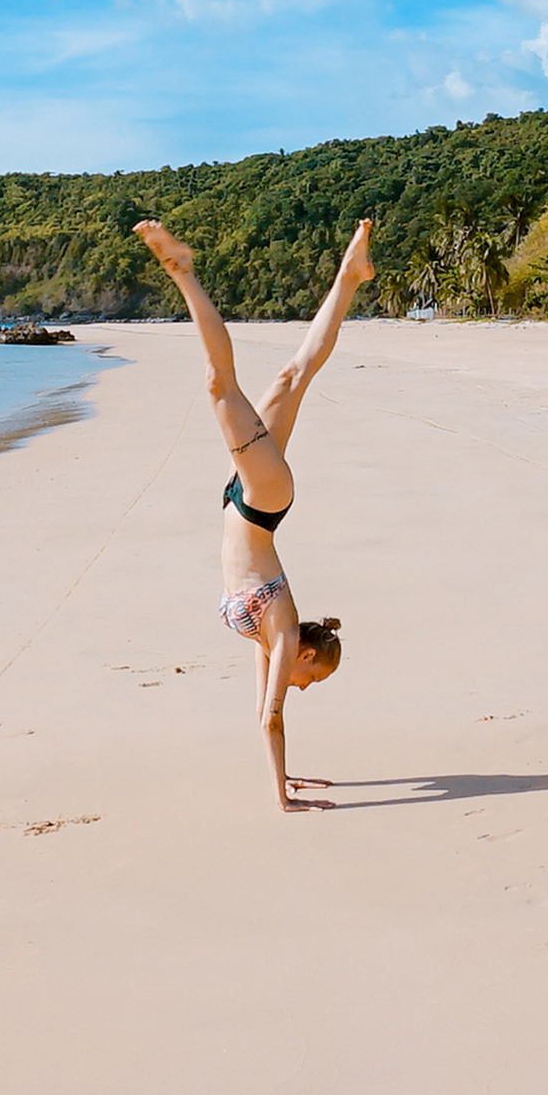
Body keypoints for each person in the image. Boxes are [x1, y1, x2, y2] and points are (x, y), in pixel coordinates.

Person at [132, 217, 375, 812]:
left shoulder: (274, 640)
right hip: (262, 498)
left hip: (247, 498)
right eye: (309, 680)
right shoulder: (287, 635)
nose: (299, 686)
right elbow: (272, 720)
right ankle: (184, 273)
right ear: (309, 657)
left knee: (292, 375)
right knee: (220, 386)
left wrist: (284, 779)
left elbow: (259, 716)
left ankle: (350, 276)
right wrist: (281, 799)